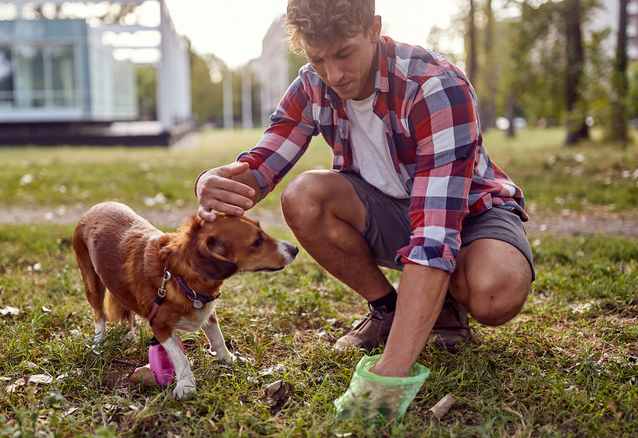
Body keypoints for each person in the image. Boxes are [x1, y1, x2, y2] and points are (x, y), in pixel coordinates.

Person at [194, 0, 535, 382]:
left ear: (374, 29)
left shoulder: (435, 86)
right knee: (303, 196)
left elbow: (435, 233)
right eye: (318, 59)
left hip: (470, 212)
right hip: (389, 212)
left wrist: (392, 370)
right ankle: (388, 309)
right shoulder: (311, 85)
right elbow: (257, 171)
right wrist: (209, 182)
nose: (334, 75)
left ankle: (443, 300)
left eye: (344, 53)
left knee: (494, 294)